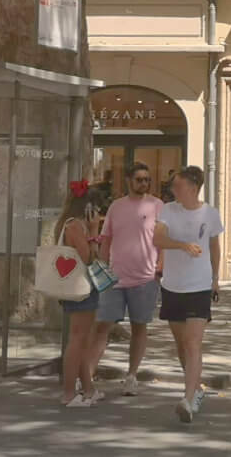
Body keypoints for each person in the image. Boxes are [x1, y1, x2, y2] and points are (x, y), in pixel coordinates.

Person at [153, 165, 223, 423]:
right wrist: (182, 245)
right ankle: (195, 389)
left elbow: (215, 247)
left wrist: (216, 279)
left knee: (193, 343)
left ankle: (188, 398)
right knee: (182, 345)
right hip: (172, 286)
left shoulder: (210, 213)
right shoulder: (168, 210)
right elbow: (157, 239)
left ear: (192, 188)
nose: (173, 190)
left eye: (177, 185)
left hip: (200, 286)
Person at [89, 163, 163, 394]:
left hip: (146, 278)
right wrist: (101, 270)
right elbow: (106, 239)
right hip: (115, 279)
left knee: (139, 327)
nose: (144, 183)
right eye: (139, 179)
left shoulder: (157, 206)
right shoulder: (116, 207)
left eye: (147, 180)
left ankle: (131, 375)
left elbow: (165, 240)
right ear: (129, 180)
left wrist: (161, 266)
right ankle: (87, 376)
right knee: (102, 327)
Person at [55, 180, 103, 407]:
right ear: (88, 207)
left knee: (82, 339)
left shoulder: (71, 223)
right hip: (80, 288)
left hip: (82, 286)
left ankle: (89, 389)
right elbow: (89, 258)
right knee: (77, 339)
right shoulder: (75, 226)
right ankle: (68, 392)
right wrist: (94, 231)